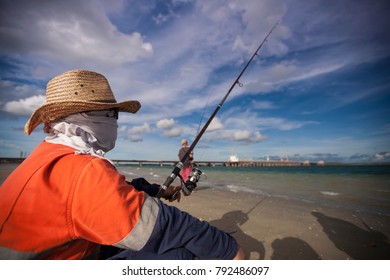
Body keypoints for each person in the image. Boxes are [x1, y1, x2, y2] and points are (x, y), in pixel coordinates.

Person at [0, 69, 244, 260]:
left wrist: (157, 191)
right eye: (112, 114)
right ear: (86, 117)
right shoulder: (83, 170)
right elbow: (166, 225)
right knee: (177, 253)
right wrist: (229, 250)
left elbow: (114, 191)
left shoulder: (48, 155)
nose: (116, 122)